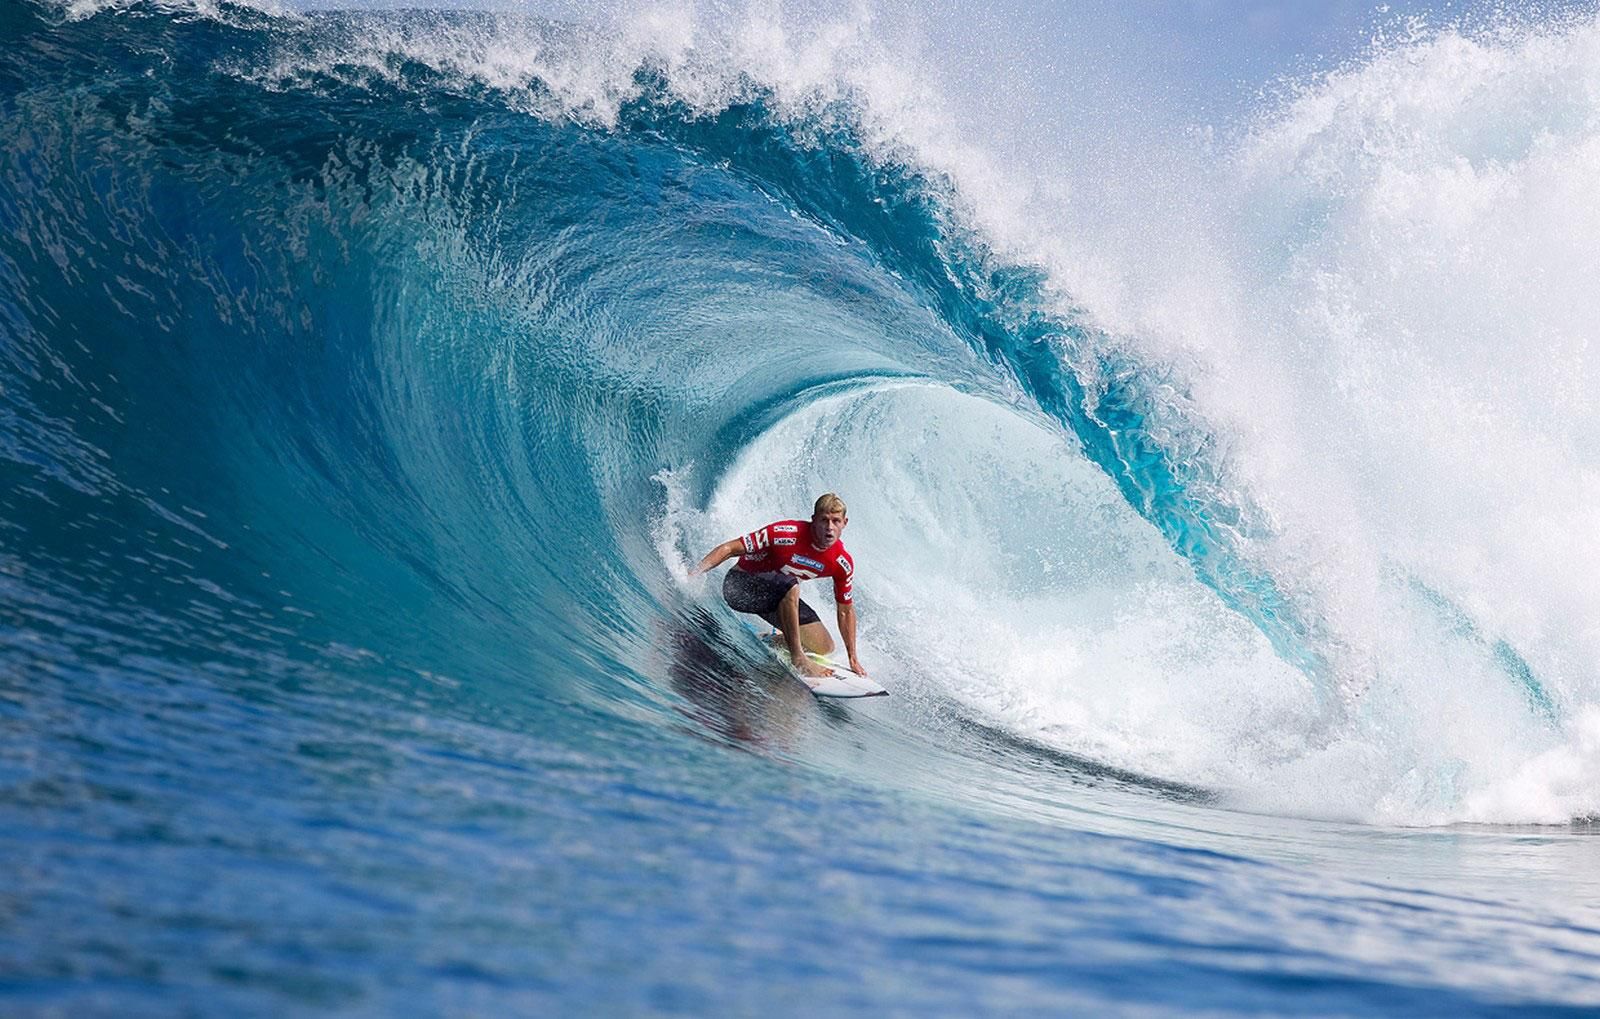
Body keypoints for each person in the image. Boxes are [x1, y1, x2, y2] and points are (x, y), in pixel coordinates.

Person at [692, 493, 865, 680]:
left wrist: (852, 657)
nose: (830, 528)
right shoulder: (786, 533)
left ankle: (774, 641)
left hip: (776, 598)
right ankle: (798, 658)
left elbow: (845, 610)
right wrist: (693, 575)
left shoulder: (841, 561)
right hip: (740, 587)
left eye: (836, 521)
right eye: (824, 520)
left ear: (844, 523)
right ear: (813, 520)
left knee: (824, 646)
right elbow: (729, 549)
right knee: (791, 585)